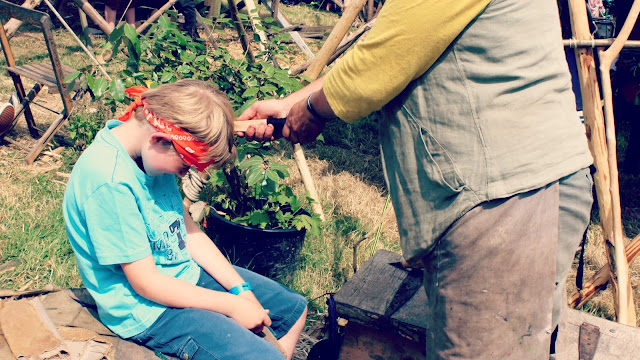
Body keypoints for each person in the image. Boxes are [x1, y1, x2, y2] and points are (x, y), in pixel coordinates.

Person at [237, 0, 594, 359]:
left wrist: (311, 110)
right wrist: (294, 102)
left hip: (503, 195)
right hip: (531, 178)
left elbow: (388, 56)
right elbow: (404, 38)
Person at [63, 79, 307, 360]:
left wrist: (241, 290)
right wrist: (230, 305)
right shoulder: (109, 181)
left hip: (183, 276)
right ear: (160, 140)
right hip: (146, 309)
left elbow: (186, 230)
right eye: (185, 167)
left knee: (292, 311)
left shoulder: (149, 153)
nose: (182, 176)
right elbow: (146, 283)